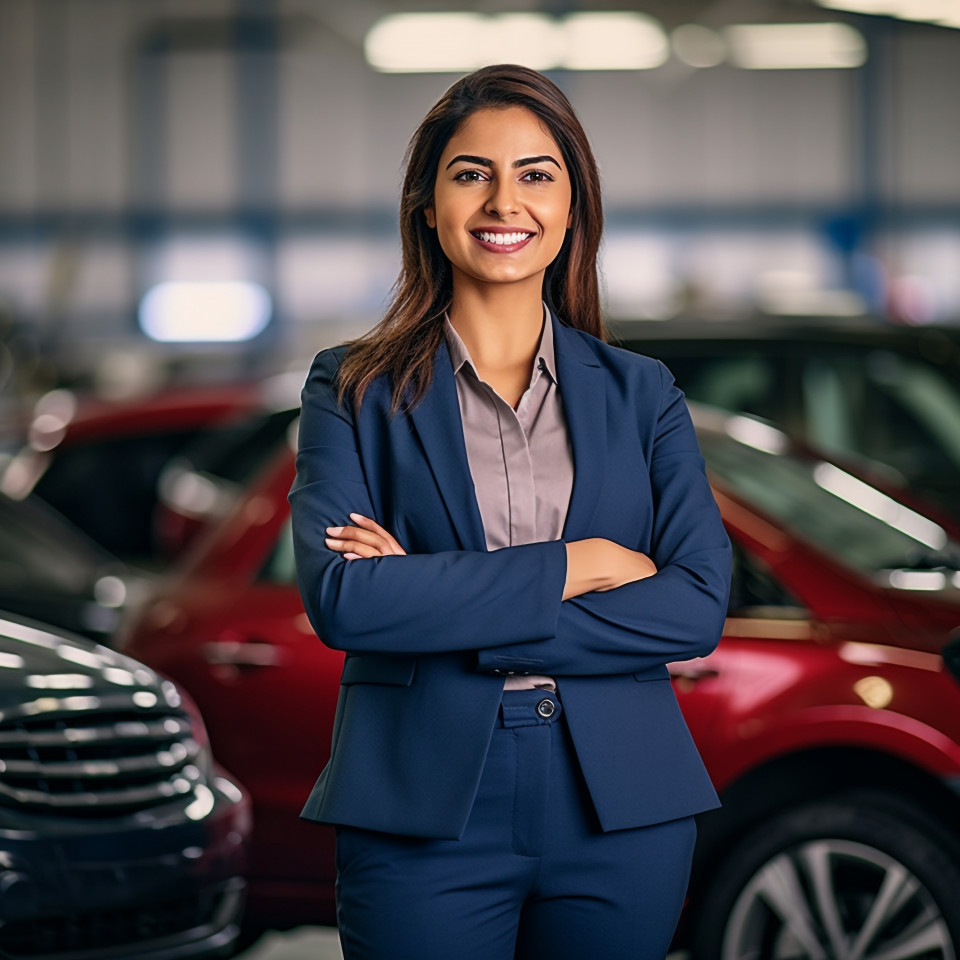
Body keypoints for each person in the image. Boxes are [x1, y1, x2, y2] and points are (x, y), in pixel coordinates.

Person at [290, 63, 731, 960]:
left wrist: (432, 595)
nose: (504, 201)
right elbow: (345, 600)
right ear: (427, 202)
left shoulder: (643, 394)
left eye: (536, 174)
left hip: (623, 812)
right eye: (470, 173)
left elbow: (694, 604)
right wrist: (582, 564)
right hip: (421, 810)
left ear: (573, 206)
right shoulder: (353, 386)